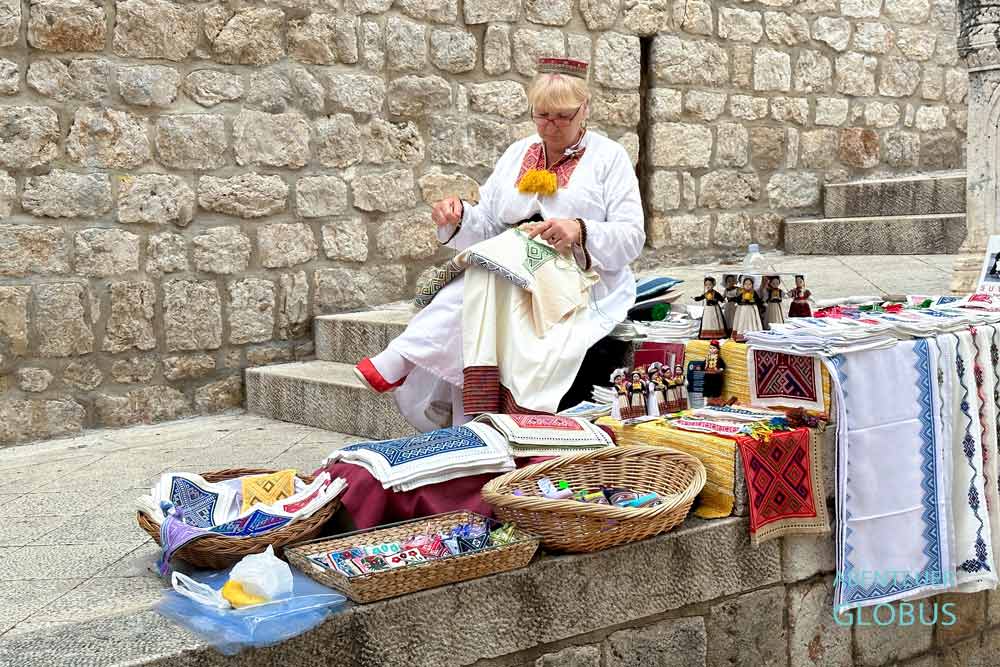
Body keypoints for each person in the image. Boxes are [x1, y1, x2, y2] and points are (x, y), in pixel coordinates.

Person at [352, 57, 645, 431]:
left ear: (584, 109)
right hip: (510, 264)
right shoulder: (518, 154)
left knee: (483, 280)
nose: (550, 126)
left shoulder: (609, 158)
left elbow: (633, 237)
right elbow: (488, 222)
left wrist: (580, 230)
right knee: (483, 281)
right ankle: (463, 421)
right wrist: (459, 218)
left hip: (577, 277)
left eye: (562, 116)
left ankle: (403, 358)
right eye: (542, 115)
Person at [731, 277, 764, 343]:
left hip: (751, 309)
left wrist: (762, 304)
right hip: (743, 309)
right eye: (746, 284)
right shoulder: (742, 292)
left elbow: (758, 300)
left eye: (749, 284)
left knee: (751, 321)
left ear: (752, 285)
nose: (747, 285)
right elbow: (737, 298)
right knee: (742, 321)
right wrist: (735, 300)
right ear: (743, 285)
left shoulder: (753, 292)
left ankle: (752, 335)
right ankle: (741, 335)